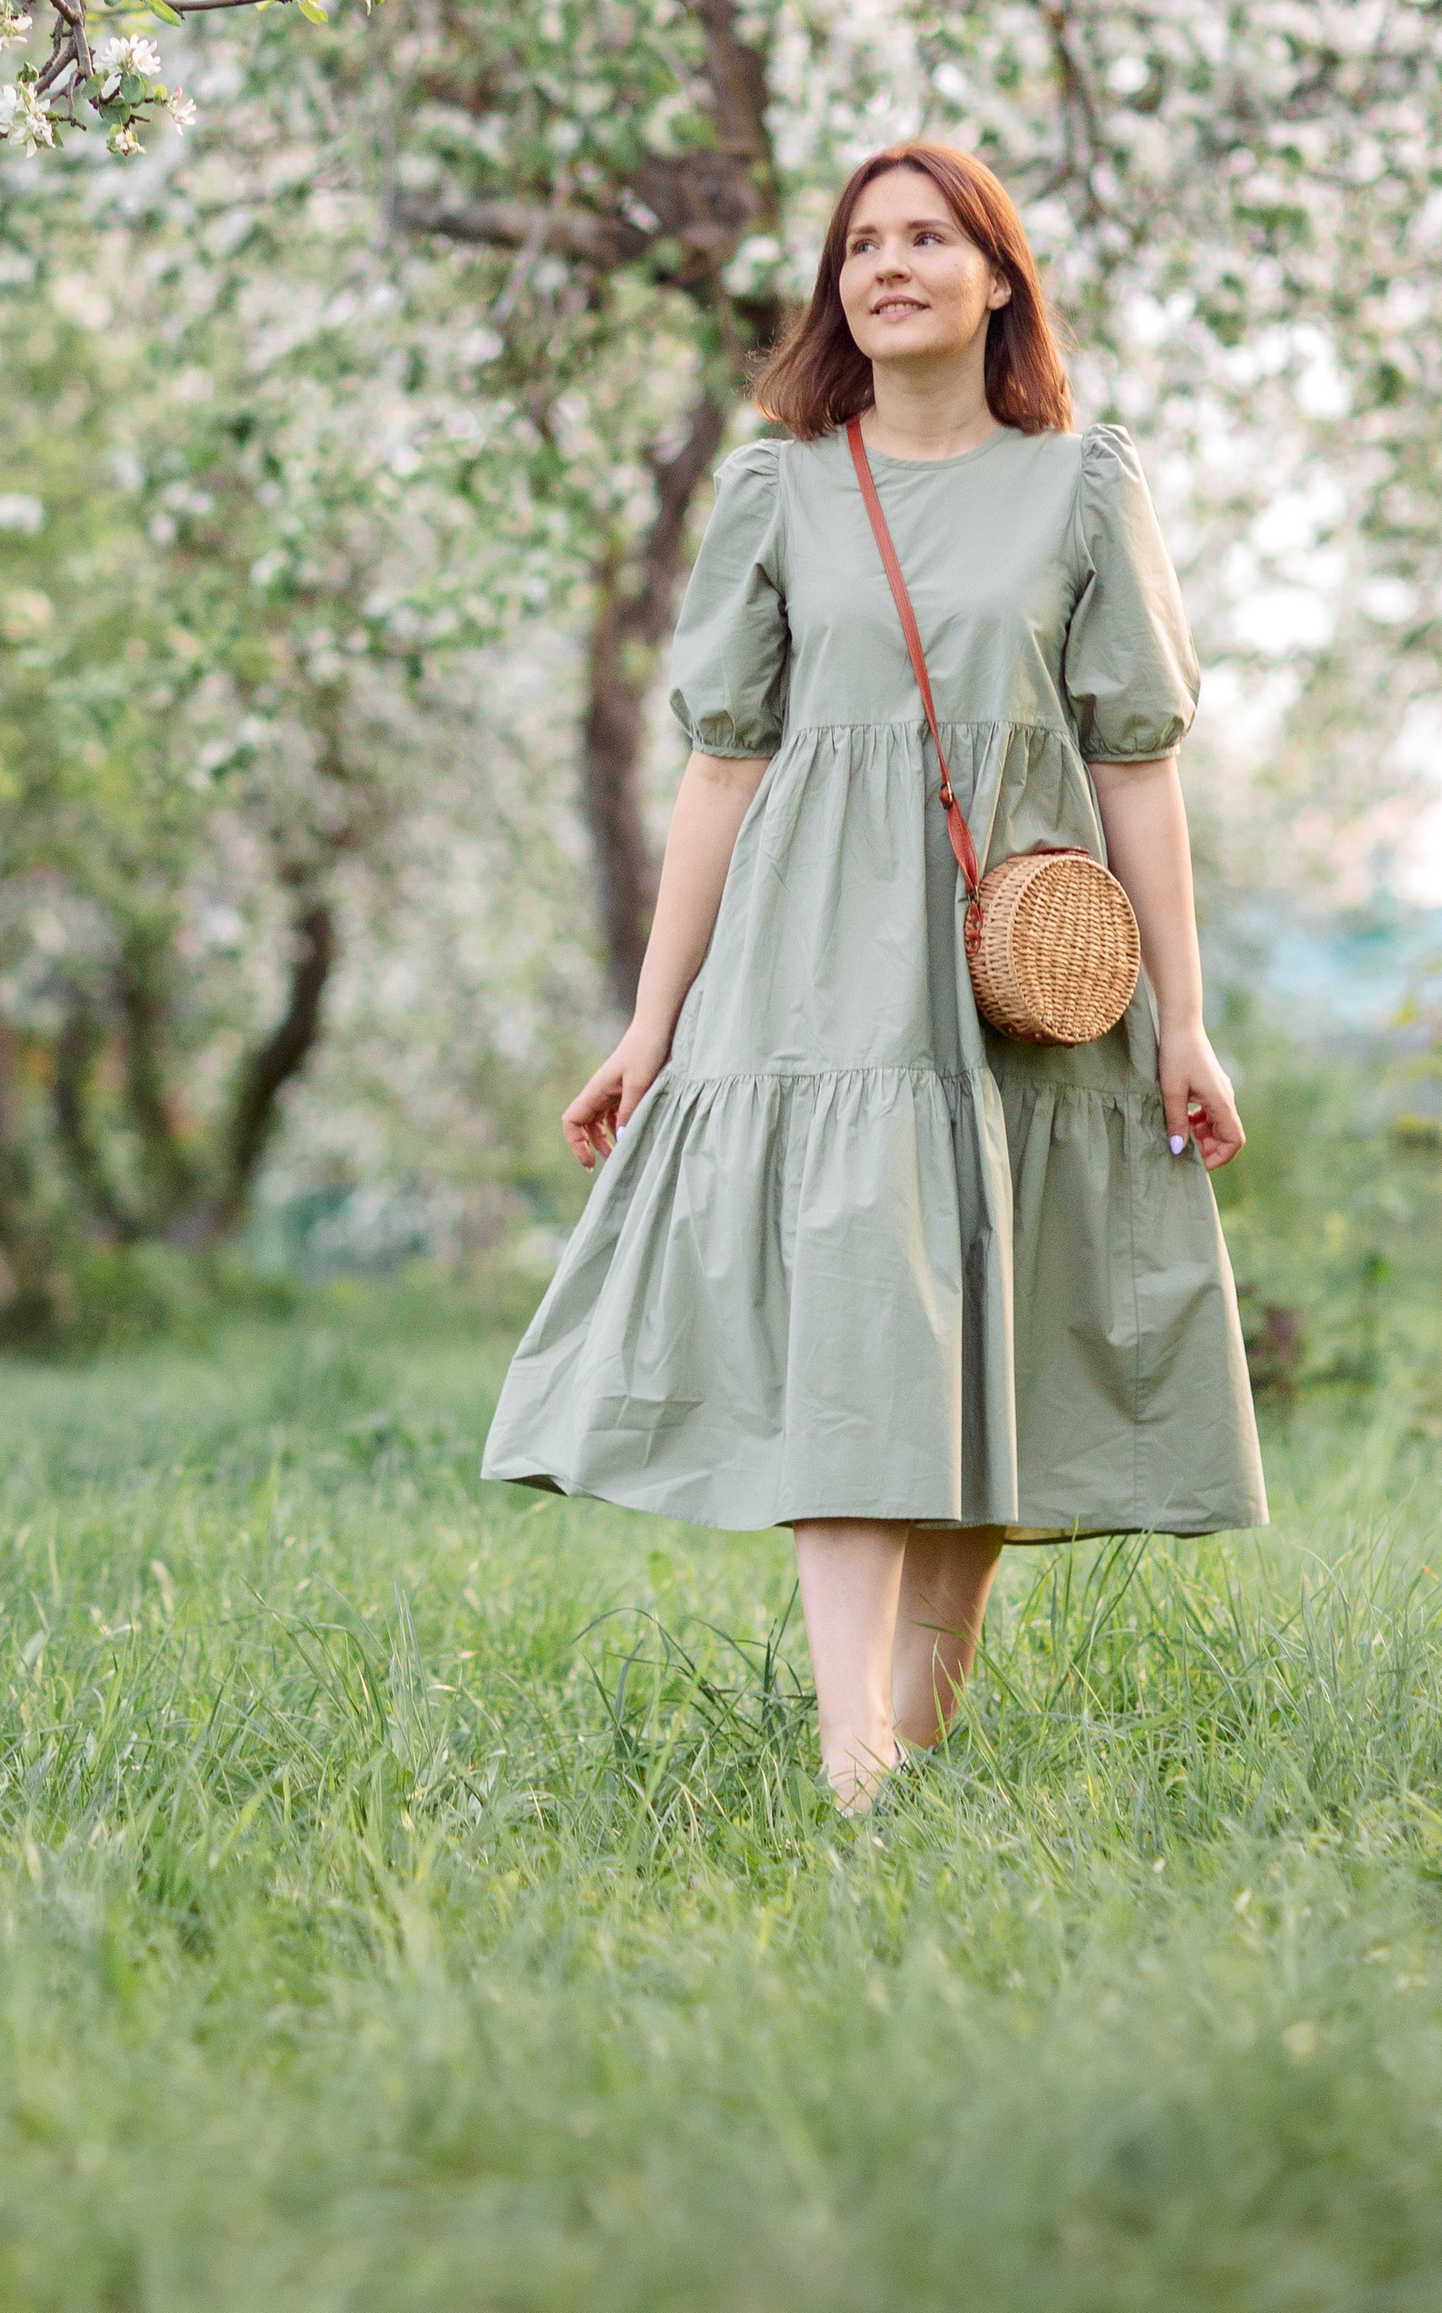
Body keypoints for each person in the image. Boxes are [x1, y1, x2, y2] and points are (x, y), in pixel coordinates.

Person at [484, 141, 1264, 1809]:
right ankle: (854, 1765)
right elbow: (720, 766)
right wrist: (652, 1022)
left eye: (928, 239)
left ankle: (918, 1732)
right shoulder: (780, 490)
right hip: (816, 972)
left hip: (1020, 977)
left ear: (999, 279)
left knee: (1000, 1323)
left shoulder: (1080, 486)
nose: (887, 266)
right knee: (854, 1328)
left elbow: (1137, 763)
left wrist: (1183, 1023)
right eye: (860, 246)